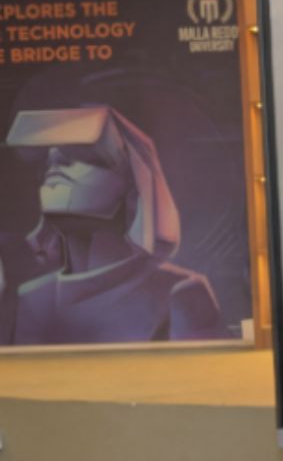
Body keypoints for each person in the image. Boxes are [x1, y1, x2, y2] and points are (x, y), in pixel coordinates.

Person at [4, 106, 225, 344]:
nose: (56, 164)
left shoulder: (179, 293)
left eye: (85, 157)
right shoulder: (31, 299)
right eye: (49, 163)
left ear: (133, 189)